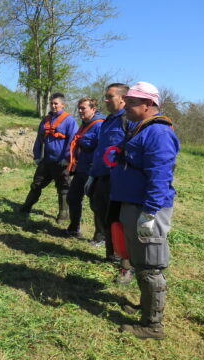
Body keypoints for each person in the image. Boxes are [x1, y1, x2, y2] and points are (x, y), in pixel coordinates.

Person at [109, 81, 179, 339]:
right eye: (126, 101)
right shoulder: (140, 129)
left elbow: (160, 175)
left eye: (132, 102)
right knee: (140, 261)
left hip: (146, 209)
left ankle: (153, 325)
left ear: (149, 104)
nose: (125, 106)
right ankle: (145, 308)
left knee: (150, 267)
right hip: (134, 205)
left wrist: (149, 213)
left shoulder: (158, 133)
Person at [85, 83, 135, 283]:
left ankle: (126, 267)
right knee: (102, 215)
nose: (105, 100)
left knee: (119, 222)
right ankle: (110, 254)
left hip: (118, 180)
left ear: (123, 98)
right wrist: (92, 175)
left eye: (109, 96)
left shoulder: (128, 121)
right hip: (101, 178)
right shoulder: (106, 121)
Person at [20, 92, 78, 223]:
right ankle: (26, 207)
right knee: (36, 184)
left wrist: (67, 158)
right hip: (46, 161)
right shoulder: (45, 120)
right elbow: (39, 139)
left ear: (63, 105)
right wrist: (37, 156)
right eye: (51, 103)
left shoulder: (69, 120)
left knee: (63, 188)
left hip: (61, 162)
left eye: (56, 103)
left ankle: (63, 214)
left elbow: (73, 141)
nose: (53, 105)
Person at [65, 97, 104, 237]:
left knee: (96, 204)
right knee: (72, 197)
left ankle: (100, 236)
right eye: (79, 108)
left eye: (83, 108)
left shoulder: (99, 125)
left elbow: (101, 150)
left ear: (93, 109)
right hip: (81, 169)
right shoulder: (84, 124)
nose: (80, 111)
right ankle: (74, 228)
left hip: (93, 171)